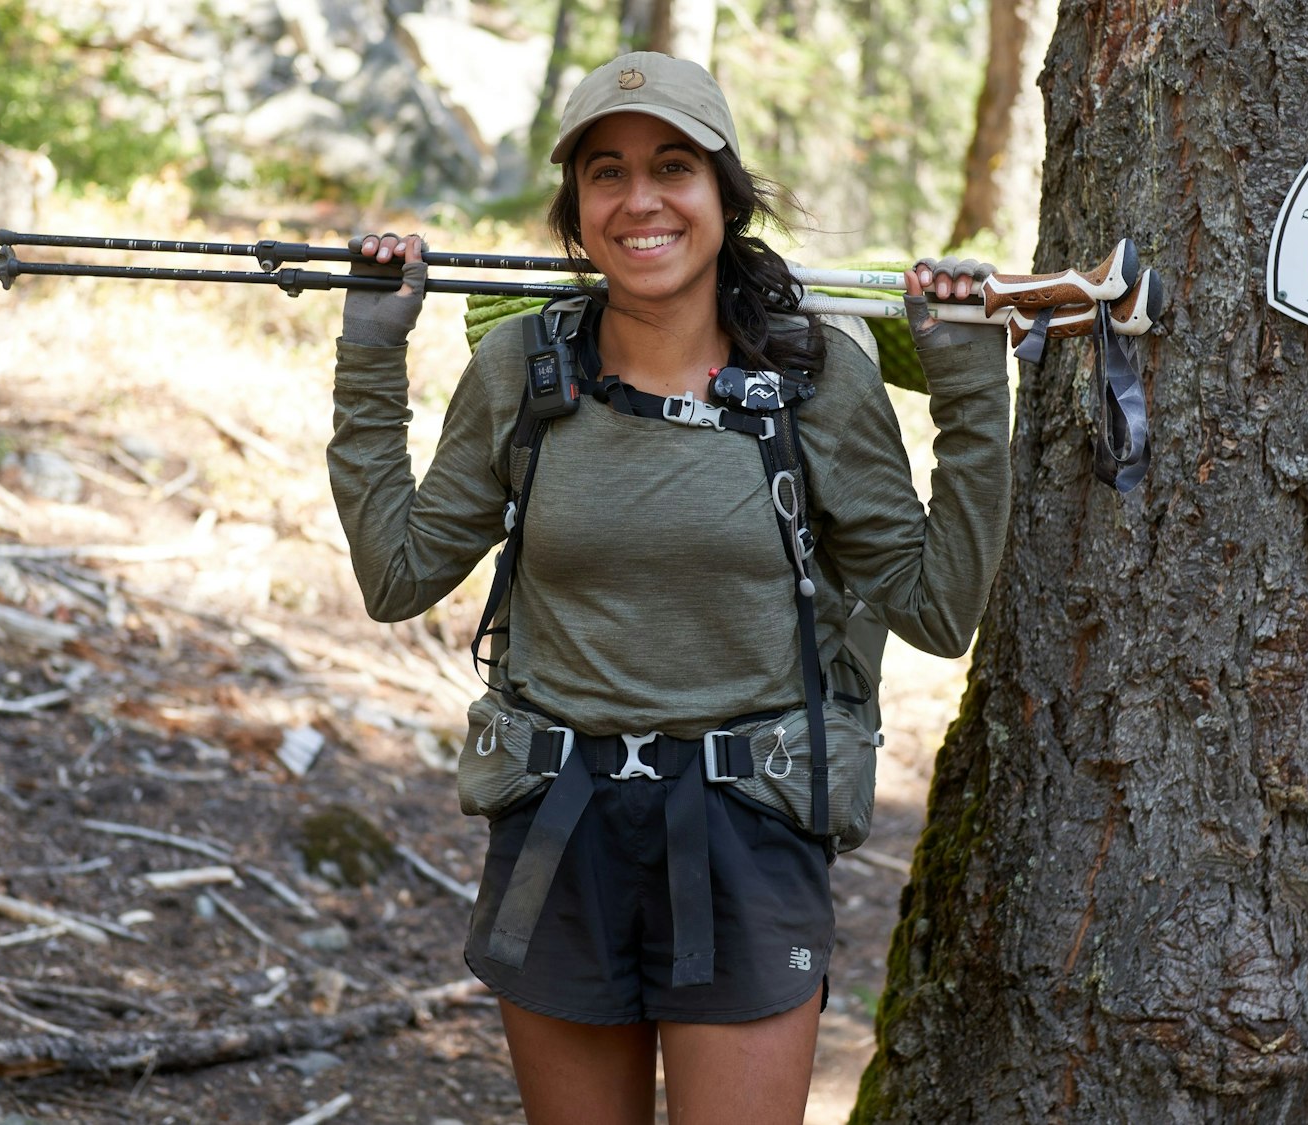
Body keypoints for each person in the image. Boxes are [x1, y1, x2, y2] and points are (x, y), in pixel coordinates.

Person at [328, 51, 1010, 1125]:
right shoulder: (521, 371)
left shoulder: (812, 372)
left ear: (722, 196)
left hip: (749, 822)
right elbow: (397, 575)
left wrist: (970, 387)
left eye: (672, 167)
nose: (639, 199)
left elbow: (935, 607)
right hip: (557, 821)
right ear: (576, 207)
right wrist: (371, 352)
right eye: (605, 172)